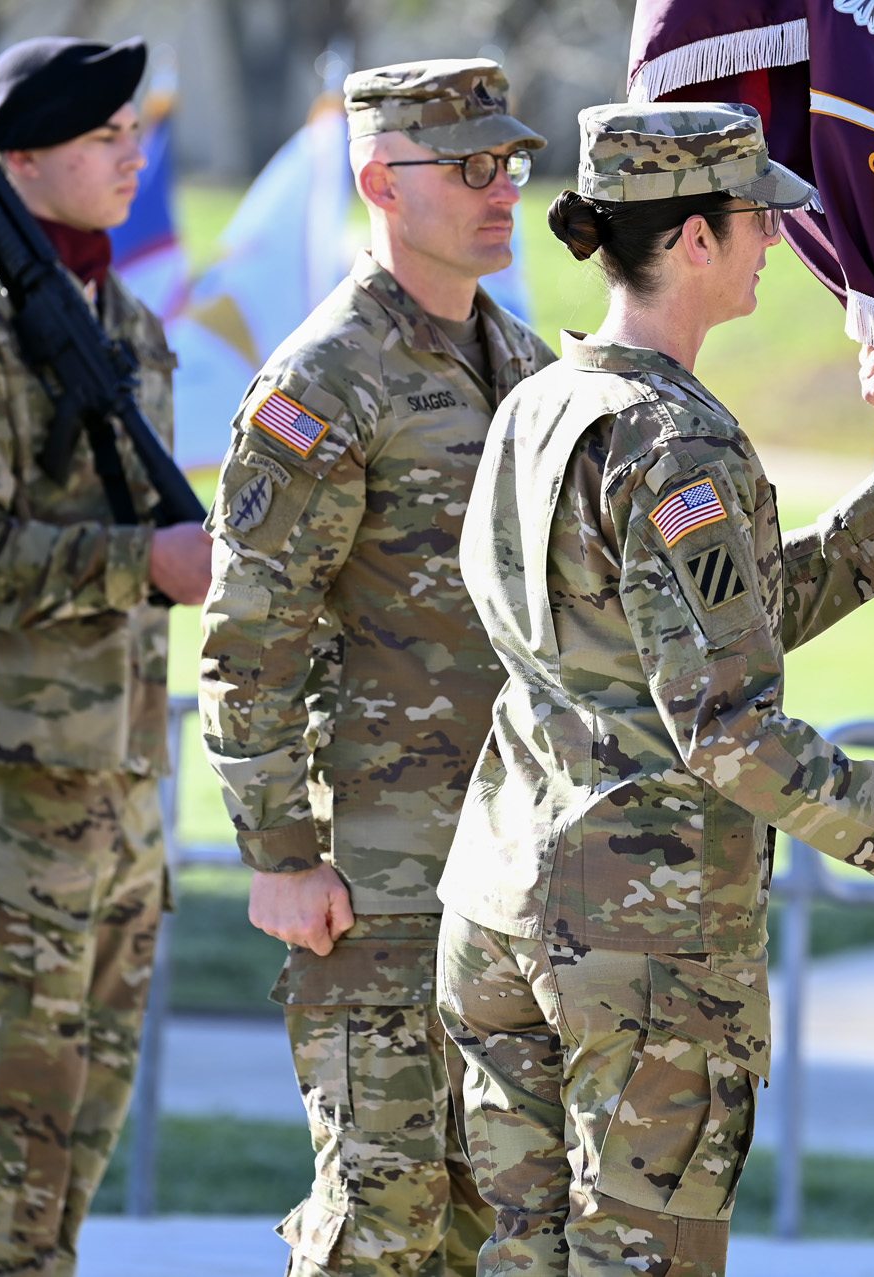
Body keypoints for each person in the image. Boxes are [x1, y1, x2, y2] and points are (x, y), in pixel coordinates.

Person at [435, 102, 874, 1277]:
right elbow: (727, 729)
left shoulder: (536, 403)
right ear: (693, 240)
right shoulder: (672, 440)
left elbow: (692, 642)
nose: (774, 239)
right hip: (638, 944)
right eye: (756, 217)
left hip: (503, 907)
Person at [199, 58, 553, 1277]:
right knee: (383, 1213)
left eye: (507, 163)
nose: (499, 189)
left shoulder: (521, 358)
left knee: (493, 1214)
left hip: (511, 861)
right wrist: (279, 852)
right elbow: (251, 629)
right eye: (467, 168)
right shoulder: (323, 379)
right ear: (378, 182)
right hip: (380, 872)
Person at [0, 36, 210, 1277]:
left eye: (136, 131)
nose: (137, 154)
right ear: (19, 163)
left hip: (125, 782)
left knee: (89, 1117)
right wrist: (145, 566)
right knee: (14, 1113)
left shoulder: (123, 317)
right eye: (104, 137)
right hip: (16, 785)